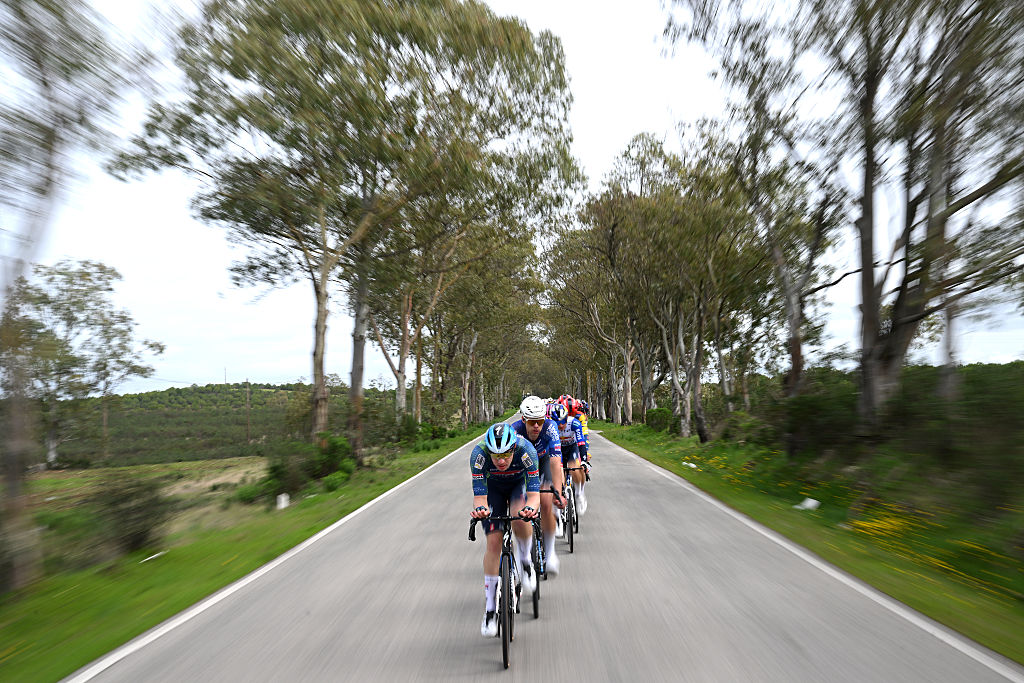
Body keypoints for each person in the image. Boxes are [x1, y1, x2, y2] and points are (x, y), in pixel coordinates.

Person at [470, 422, 540, 637]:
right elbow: (480, 498)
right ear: (488, 451)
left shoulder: (526, 450)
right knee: (493, 543)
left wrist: (530, 509)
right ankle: (491, 609)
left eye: (506, 455)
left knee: (521, 518)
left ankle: (526, 561)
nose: (501, 461)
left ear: (514, 449)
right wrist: (481, 510)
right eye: (496, 456)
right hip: (493, 491)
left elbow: (535, 495)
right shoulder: (478, 455)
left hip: (518, 486)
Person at [511, 395, 565, 579]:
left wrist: (557, 491)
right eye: (532, 422)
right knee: (518, 509)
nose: (536, 426)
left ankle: (550, 554)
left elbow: (556, 462)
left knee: (547, 502)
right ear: (523, 420)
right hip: (521, 467)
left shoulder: (550, 428)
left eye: (540, 421)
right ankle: (521, 551)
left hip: (543, 463)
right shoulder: (515, 431)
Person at [551, 401, 590, 514]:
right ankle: (561, 495)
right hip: (558, 450)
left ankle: (579, 493)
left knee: (575, 467)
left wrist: (584, 461)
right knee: (558, 472)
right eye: (558, 423)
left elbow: (581, 443)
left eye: (563, 421)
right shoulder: (550, 426)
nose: (561, 425)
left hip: (572, 447)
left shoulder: (574, 423)